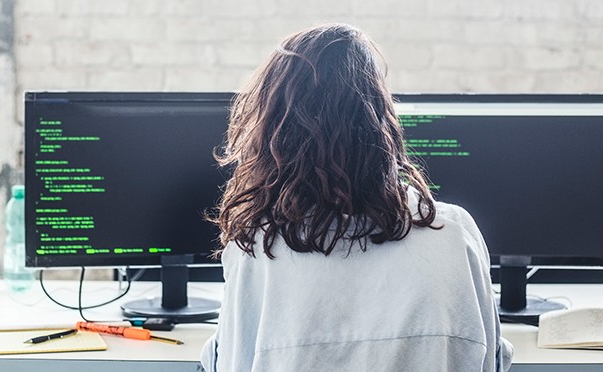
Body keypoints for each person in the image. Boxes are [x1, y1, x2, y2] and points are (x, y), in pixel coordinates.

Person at [202, 23, 513, 371]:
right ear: (381, 120)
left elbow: (231, 363)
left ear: (275, 129)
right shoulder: (454, 233)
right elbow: (489, 360)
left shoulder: (259, 246)